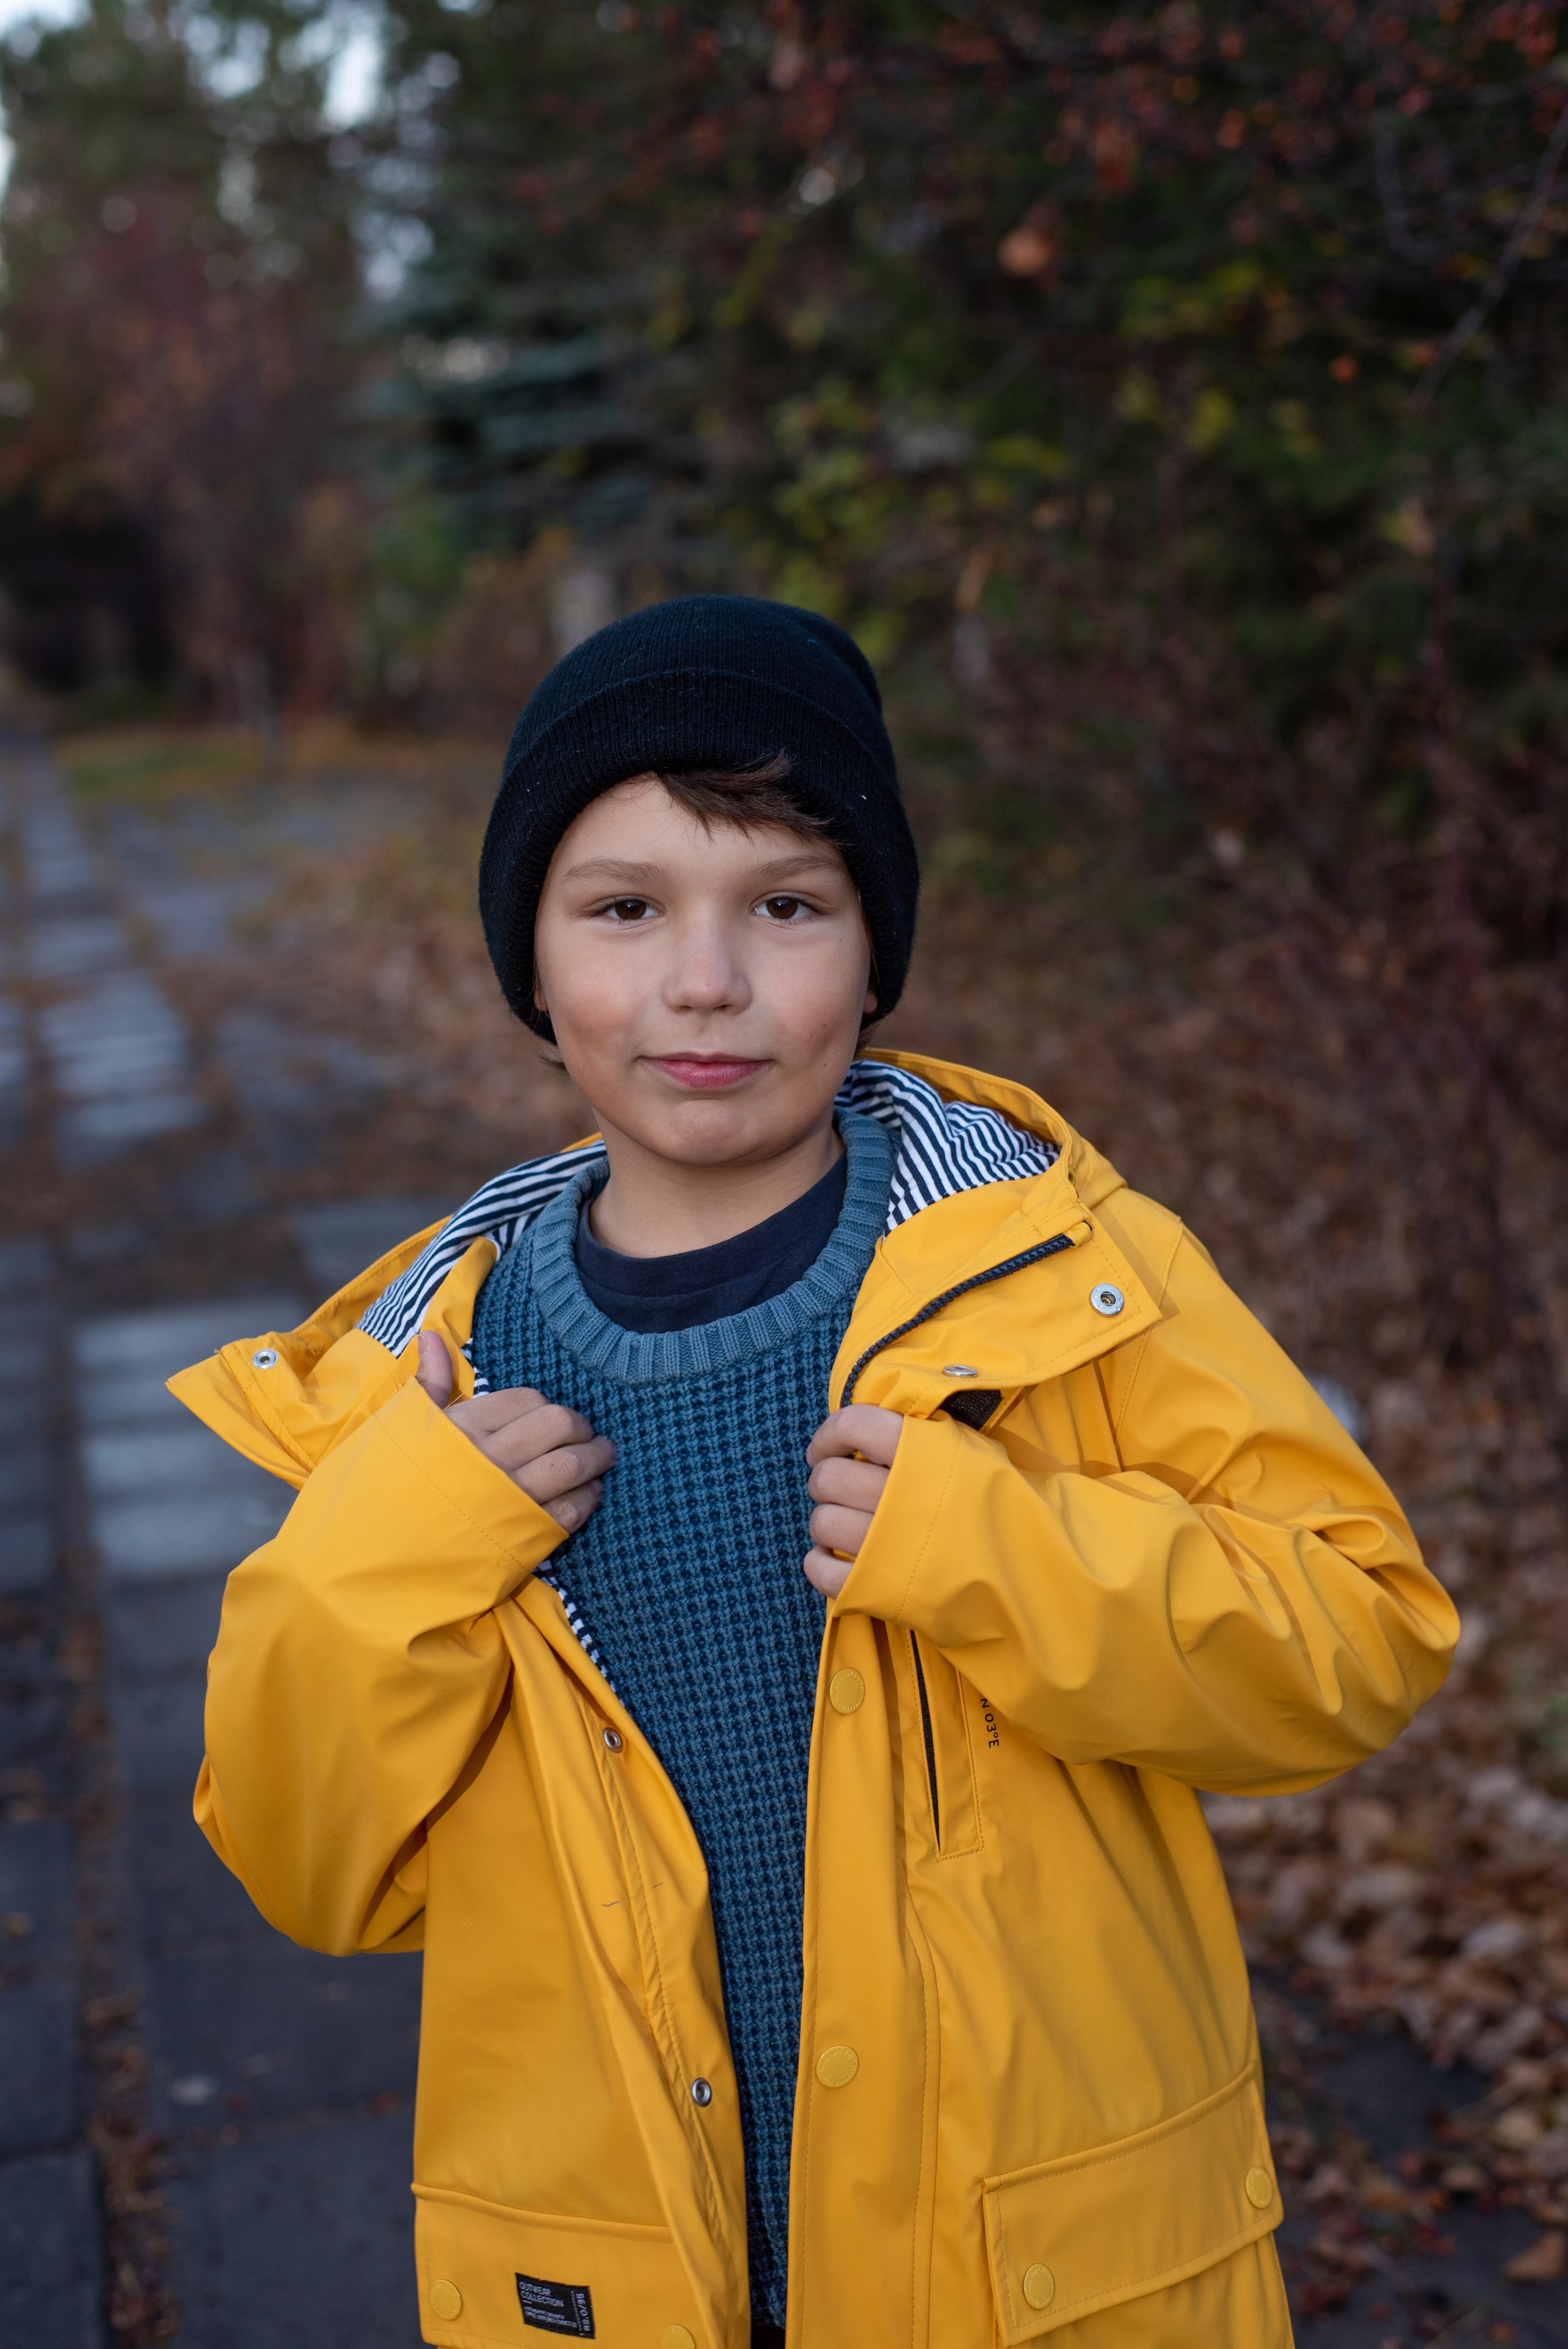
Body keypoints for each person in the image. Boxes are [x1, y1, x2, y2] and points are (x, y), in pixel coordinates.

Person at [173, 595, 1458, 2349]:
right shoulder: (421, 1385)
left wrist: (1002, 1550)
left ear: (872, 951)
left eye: (786, 904)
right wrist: (382, 1553)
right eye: (624, 908)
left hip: (1039, 2282)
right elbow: (317, 1868)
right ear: (532, 961)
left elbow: (1360, 1635)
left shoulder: (1058, 1270)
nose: (706, 981)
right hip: (616, 2288)